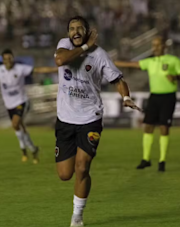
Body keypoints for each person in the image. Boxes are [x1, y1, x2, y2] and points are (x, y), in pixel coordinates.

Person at [54, 16, 141, 227]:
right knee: (65, 174)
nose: (75, 31)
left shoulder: (100, 55)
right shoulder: (63, 46)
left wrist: (126, 97)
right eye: (72, 29)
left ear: (87, 31)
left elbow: (118, 80)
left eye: (79, 28)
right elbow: (60, 61)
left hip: (90, 119)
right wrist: (86, 46)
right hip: (65, 119)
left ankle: (77, 216)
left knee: (82, 168)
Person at [115, 37, 180, 172]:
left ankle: (162, 161)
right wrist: (112, 62)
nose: (155, 47)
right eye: (153, 45)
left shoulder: (173, 60)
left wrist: (176, 77)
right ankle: (146, 159)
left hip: (168, 97)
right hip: (154, 97)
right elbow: (133, 65)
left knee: (164, 128)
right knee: (148, 126)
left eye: (157, 45)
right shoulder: (150, 62)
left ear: (164, 46)